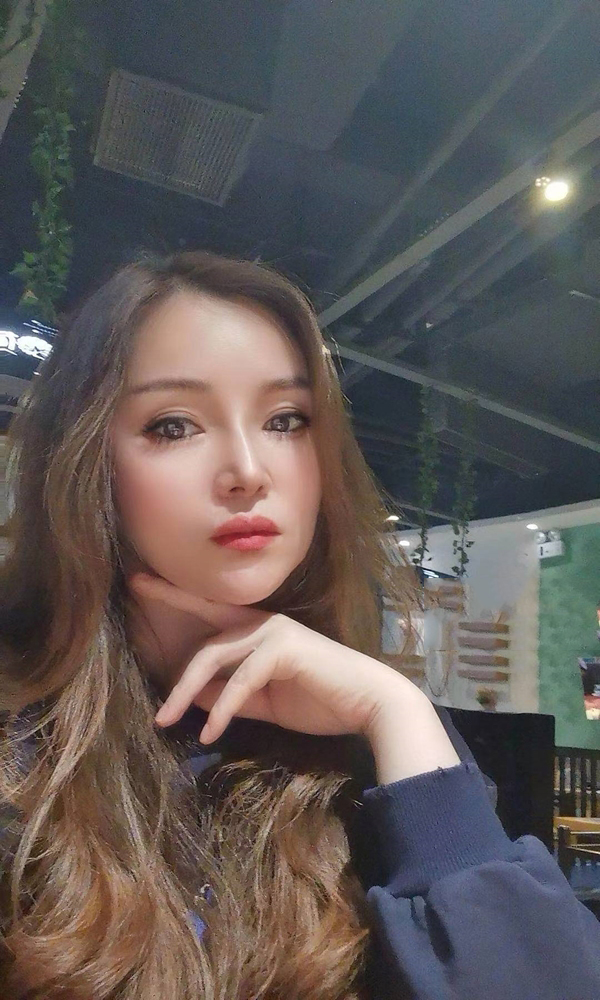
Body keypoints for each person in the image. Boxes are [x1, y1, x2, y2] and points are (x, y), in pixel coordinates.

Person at [0, 250, 599, 1000]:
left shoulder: (379, 738)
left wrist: (396, 709)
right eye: (174, 425)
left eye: (285, 420)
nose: (249, 469)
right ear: (87, 459)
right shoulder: (24, 743)